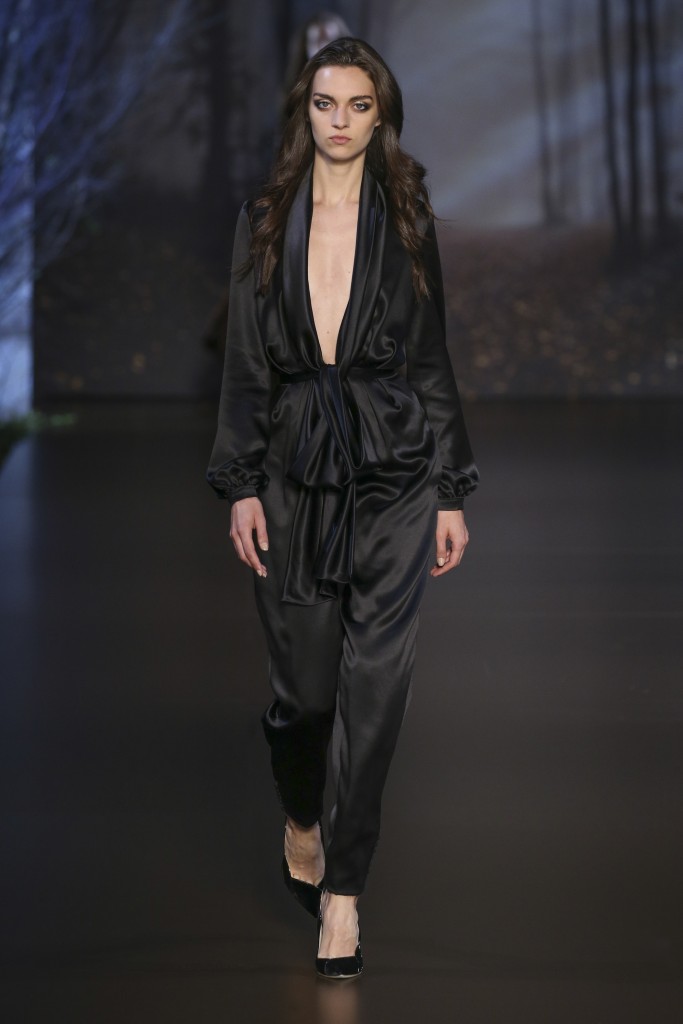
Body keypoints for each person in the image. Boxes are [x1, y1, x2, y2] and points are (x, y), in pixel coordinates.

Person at [207, 37, 478, 981]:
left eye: (359, 106)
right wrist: (240, 483)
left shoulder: (405, 217)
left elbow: (430, 356)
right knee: (305, 698)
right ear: (305, 110)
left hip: (393, 468)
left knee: (376, 689)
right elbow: (246, 361)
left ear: (380, 116)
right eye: (326, 103)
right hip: (293, 472)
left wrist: (449, 488)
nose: (341, 122)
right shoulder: (263, 220)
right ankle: (301, 816)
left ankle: (345, 896)